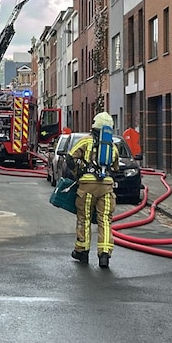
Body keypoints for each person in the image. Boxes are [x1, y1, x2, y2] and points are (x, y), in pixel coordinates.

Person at [67, 111, 118, 268]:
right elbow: (116, 168)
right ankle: (104, 255)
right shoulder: (112, 147)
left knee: (84, 218)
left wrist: (78, 172)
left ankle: (82, 251)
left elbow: (70, 157)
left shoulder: (85, 141)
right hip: (106, 188)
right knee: (105, 220)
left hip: (87, 187)